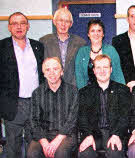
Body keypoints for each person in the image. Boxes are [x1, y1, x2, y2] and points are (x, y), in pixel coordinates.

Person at [0, 12, 45, 158]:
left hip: (35, 104)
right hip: (13, 104)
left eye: (22, 23)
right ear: (9, 27)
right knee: (13, 146)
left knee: (34, 146)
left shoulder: (38, 46)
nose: (19, 26)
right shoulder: (2, 47)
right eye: (14, 23)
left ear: (28, 26)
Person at [78, 54, 130, 158]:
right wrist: (88, 135)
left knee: (115, 153)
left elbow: (125, 116)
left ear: (111, 69)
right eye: (98, 67)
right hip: (93, 134)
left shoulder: (123, 90)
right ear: (94, 70)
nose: (102, 71)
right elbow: (82, 117)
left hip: (114, 133)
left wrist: (116, 135)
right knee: (85, 153)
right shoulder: (84, 92)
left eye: (105, 67)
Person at [27, 57, 78, 158]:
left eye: (55, 69)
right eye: (47, 70)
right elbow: (33, 120)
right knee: (32, 153)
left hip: (66, 135)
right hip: (43, 135)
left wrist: (58, 140)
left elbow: (73, 119)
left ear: (62, 71)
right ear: (44, 73)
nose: (52, 73)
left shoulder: (73, 91)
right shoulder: (37, 93)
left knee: (61, 153)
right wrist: (44, 142)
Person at [40, 8, 86, 86]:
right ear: (54, 22)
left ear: (71, 24)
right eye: (60, 20)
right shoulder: (44, 41)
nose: (63, 24)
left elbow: (82, 69)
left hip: (73, 88)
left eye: (67, 21)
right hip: (51, 88)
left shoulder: (80, 43)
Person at [75, 19, 125, 89]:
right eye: (93, 31)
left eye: (99, 31)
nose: (96, 34)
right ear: (88, 34)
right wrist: (83, 94)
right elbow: (79, 77)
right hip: (88, 93)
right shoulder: (82, 52)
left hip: (109, 93)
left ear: (103, 34)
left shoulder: (111, 51)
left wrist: (122, 92)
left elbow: (118, 75)